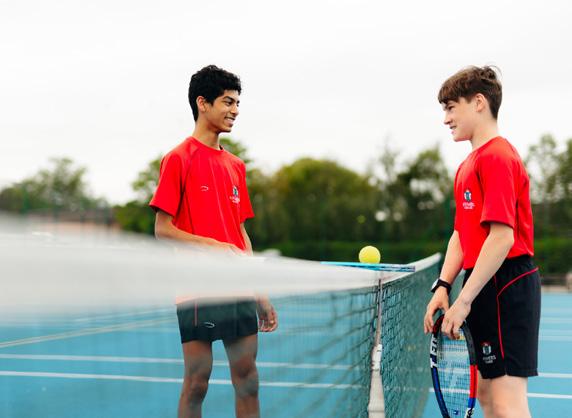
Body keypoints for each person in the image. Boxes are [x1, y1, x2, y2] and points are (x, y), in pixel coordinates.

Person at [149, 65, 278, 418]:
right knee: (197, 383)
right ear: (202, 103)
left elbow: (241, 233)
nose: (235, 110)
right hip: (198, 289)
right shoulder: (177, 159)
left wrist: (259, 291)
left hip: (238, 288)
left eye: (237, 103)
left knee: (248, 380)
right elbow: (163, 230)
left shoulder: (236, 165)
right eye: (227, 102)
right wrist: (214, 247)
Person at [423, 66, 540, 418]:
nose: (445, 118)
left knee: (507, 402)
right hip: (484, 282)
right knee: (489, 398)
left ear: (478, 103)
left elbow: (502, 238)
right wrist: (444, 285)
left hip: (507, 283)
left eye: (450, 107)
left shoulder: (498, 157)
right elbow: (462, 233)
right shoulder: (467, 165)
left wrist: (464, 300)